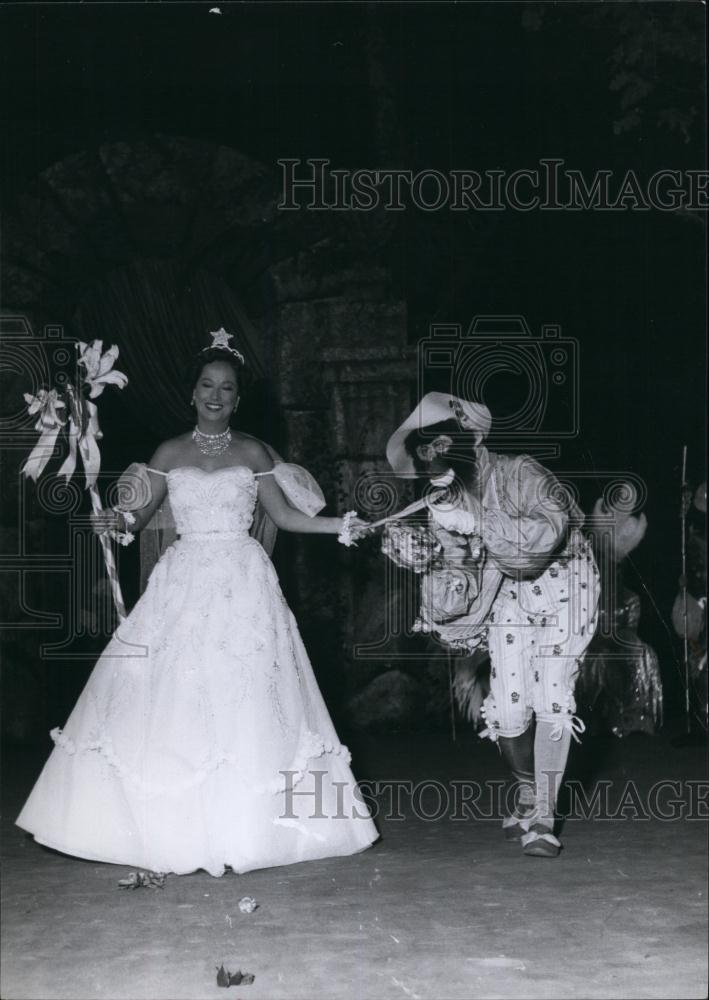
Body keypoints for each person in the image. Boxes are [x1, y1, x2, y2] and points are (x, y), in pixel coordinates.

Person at [16, 331, 378, 877]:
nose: (215, 395)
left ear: (237, 399)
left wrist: (341, 524)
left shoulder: (253, 451)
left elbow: (284, 517)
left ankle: (254, 826)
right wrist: (115, 522)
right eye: (207, 385)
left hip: (243, 579)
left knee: (247, 693)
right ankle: (166, 826)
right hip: (183, 580)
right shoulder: (169, 452)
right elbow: (136, 521)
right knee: (177, 692)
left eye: (226, 388)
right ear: (192, 393)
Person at [382, 392, 600, 857]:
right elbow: (458, 585)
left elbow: (545, 533)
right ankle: (526, 788)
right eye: (426, 449)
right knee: (506, 709)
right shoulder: (444, 503)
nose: (434, 455)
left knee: (553, 696)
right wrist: (427, 565)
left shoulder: (522, 472)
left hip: (566, 581)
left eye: (443, 443)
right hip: (509, 591)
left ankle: (543, 815)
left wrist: (479, 520)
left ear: (471, 438)